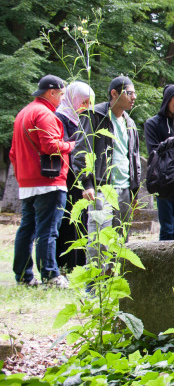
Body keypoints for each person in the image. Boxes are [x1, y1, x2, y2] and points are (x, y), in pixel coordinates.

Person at [10, 75, 75, 287]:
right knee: (48, 230)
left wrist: (22, 175)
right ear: (52, 92)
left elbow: (13, 152)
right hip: (48, 181)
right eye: (62, 94)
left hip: (27, 181)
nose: (62, 99)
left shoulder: (24, 113)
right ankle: (50, 275)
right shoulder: (45, 114)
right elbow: (50, 146)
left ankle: (23, 276)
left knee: (26, 230)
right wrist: (71, 146)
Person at [72, 76, 142, 266]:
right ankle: (94, 286)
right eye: (130, 93)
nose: (134, 97)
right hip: (101, 187)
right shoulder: (93, 116)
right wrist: (87, 183)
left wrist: (134, 191)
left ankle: (112, 283)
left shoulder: (130, 123)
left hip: (125, 189)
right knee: (98, 237)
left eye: (135, 93)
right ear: (114, 93)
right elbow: (80, 151)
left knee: (120, 240)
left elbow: (133, 158)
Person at [54, 81, 94, 273]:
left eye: (89, 102)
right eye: (84, 101)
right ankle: (65, 264)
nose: (86, 106)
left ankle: (79, 264)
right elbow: (61, 144)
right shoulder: (60, 117)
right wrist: (77, 145)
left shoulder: (84, 119)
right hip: (66, 177)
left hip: (82, 176)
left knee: (82, 220)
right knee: (68, 220)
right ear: (74, 99)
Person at [144, 85, 174, 240]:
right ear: (167, 102)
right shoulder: (153, 123)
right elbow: (154, 151)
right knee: (167, 228)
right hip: (164, 181)